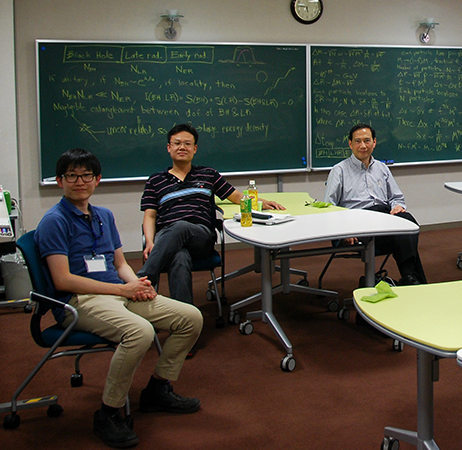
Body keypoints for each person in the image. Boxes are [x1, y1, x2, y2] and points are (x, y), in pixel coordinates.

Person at [35, 149, 203, 448]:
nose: (79, 181)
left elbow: (119, 264)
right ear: (60, 181)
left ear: (97, 180)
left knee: (190, 317)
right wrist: (121, 290)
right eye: (71, 176)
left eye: (87, 175)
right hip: (79, 301)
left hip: (117, 292)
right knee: (140, 332)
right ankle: (109, 413)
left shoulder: (104, 216)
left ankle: (157, 389)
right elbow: (62, 280)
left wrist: (136, 284)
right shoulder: (54, 221)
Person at [139, 123, 284, 307]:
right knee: (179, 257)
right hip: (167, 236)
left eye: (187, 144)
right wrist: (151, 242)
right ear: (169, 148)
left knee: (181, 226)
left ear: (195, 149)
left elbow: (236, 196)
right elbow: (150, 216)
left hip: (200, 235)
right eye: (177, 143)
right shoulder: (155, 181)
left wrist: (261, 201)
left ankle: (143, 277)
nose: (182, 147)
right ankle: (184, 317)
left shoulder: (208, 174)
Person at [324, 123, 427, 285]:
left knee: (408, 223)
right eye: (358, 141)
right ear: (350, 144)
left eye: (367, 140)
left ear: (374, 142)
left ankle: (408, 278)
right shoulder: (339, 171)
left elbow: (396, 197)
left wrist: (397, 206)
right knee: (403, 238)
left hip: (384, 218)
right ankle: (410, 279)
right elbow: (329, 207)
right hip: (357, 222)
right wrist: (344, 231)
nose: (363, 145)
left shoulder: (382, 168)